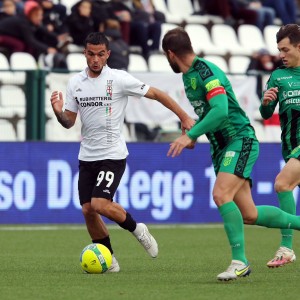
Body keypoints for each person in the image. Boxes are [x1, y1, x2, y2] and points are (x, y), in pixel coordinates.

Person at [162, 26, 300, 281]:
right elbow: (210, 114)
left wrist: (190, 136)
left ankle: (240, 262)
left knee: (220, 193)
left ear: (170, 54)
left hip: (239, 140)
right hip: (221, 147)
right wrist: (194, 127)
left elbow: (221, 110)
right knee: (249, 214)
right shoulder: (188, 75)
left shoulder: (207, 72)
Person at [50, 31, 195, 272]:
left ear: (107, 55)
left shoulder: (118, 79)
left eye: (100, 54)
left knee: (99, 203)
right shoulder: (75, 82)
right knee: (88, 210)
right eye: (90, 54)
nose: (95, 59)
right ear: (84, 54)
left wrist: (184, 116)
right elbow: (69, 122)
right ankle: (110, 259)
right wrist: (58, 112)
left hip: (112, 154)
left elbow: (157, 94)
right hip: (87, 155)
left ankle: (138, 229)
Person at [259, 24, 300, 268]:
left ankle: (286, 247)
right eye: (279, 50)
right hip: (290, 145)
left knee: (282, 184)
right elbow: (265, 114)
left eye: (285, 49)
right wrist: (266, 103)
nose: (281, 55)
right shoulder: (277, 76)